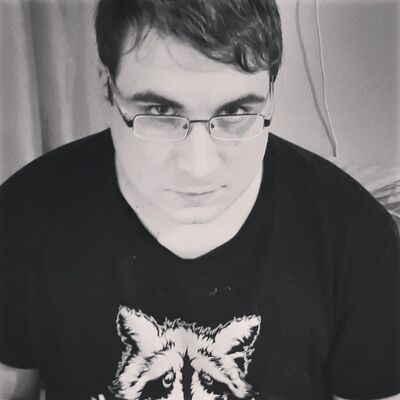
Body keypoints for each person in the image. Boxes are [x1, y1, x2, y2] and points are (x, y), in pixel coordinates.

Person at [0, 0, 399, 399]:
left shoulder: (358, 239)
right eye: (159, 111)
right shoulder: (23, 218)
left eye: (236, 111)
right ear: (107, 86)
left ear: (271, 96)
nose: (198, 168)